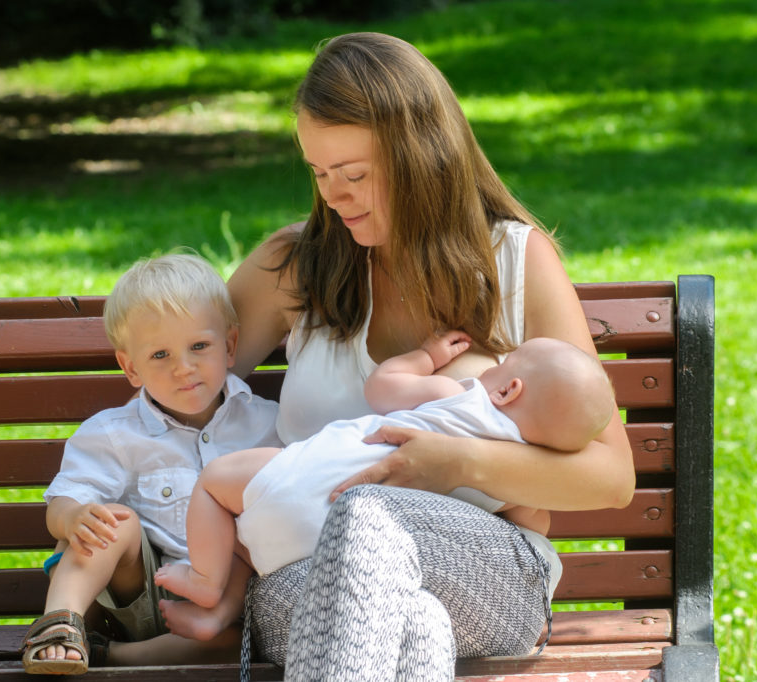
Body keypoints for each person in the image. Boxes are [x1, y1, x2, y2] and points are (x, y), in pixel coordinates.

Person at [223, 32, 635, 680]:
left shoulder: (514, 262)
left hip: (487, 569)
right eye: (319, 173)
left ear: (421, 157)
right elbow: (180, 388)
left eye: (355, 174)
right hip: (300, 568)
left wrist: (457, 461)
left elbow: (611, 477)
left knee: (368, 514)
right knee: (416, 625)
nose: (335, 196)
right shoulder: (297, 266)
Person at [153, 333, 614, 609]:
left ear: (509, 389)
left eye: (506, 361)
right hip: (321, 558)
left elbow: (382, 388)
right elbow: (534, 526)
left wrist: (427, 356)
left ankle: (207, 581)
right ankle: (218, 602)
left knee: (215, 482)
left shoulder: (462, 397)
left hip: (299, 487)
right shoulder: (514, 483)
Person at [20, 253, 281, 674]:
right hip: (145, 598)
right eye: (160, 355)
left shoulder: (270, 424)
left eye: (200, 346)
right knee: (111, 521)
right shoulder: (113, 434)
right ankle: (60, 624)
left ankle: (108, 659)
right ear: (131, 367)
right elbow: (63, 504)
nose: (184, 367)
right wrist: (74, 517)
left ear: (229, 345)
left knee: (244, 637)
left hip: (230, 613)